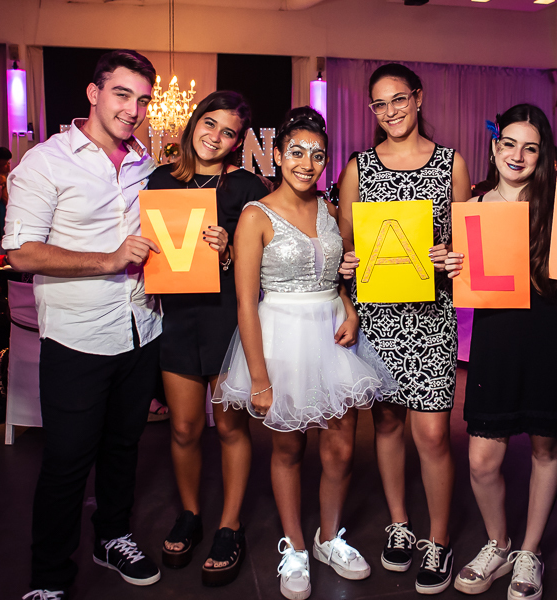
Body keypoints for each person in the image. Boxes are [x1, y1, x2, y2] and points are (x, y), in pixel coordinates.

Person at [213, 106, 394, 600]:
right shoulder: (256, 215)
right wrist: (259, 377)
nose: (307, 163)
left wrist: (350, 308)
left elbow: (335, 276)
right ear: (277, 154)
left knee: (339, 446)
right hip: (280, 337)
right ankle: (293, 546)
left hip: (332, 332)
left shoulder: (330, 209)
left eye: (317, 154)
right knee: (289, 447)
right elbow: (247, 304)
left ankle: (328, 537)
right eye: (296, 151)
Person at [3, 49, 163, 600]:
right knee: (67, 462)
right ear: (93, 93)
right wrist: (107, 259)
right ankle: (49, 578)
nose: (133, 109)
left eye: (142, 99)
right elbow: (20, 254)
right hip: (77, 337)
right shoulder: (45, 162)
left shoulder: (146, 162)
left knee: (124, 447)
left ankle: (113, 537)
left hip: (142, 327)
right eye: (123, 94)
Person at [337, 63, 472, 595]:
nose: (390, 111)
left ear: (417, 99)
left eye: (398, 99)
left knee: (434, 433)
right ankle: (399, 522)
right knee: (387, 424)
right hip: (377, 316)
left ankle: (439, 540)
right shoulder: (358, 167)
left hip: (432, 316)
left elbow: (468, 246)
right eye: (379, 104)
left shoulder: (451, 163)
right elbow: (344, 246)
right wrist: (346, 270)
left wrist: (450, 256)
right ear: (371, 110)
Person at [443, 104, 557, 599]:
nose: (518, 155)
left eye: (531, 147)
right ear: (495, 147)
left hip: (551, 332)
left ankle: (530, 551)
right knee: (482, 459)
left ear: (543, 155)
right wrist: (449, 262)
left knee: (546, 446)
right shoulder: (474, 205)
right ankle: (498, 542)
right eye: (510, 144)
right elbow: (462, 271)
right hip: (497, 337)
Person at [148, 90, 269, 587]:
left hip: (225, 318)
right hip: (176, 318)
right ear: (193, 122)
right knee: (183, 428)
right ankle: (191, 514)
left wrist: (228, 249)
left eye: (228, 133)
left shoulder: (246, 188)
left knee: (232, 429)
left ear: (238, 143)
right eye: (209, 124)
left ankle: (230, 524)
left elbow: (263, 264)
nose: (215, 137)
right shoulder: (158, 179)